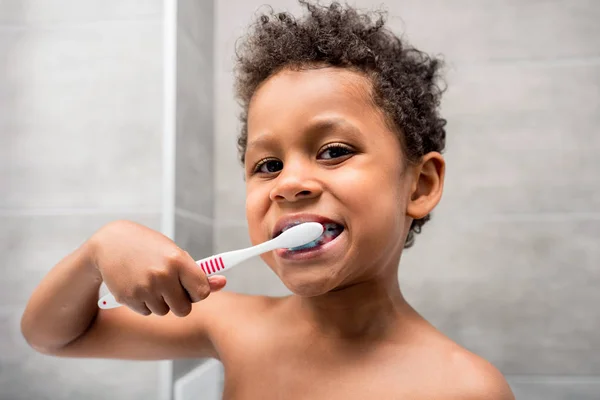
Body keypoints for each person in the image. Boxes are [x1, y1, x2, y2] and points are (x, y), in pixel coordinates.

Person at [21, 2, 515, 398]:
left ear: (420, 185)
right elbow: (52, 336)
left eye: (334, 151)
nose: (288, 183)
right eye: (268, 165)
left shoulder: (463, 387)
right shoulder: (230, 324)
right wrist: (97, 252)